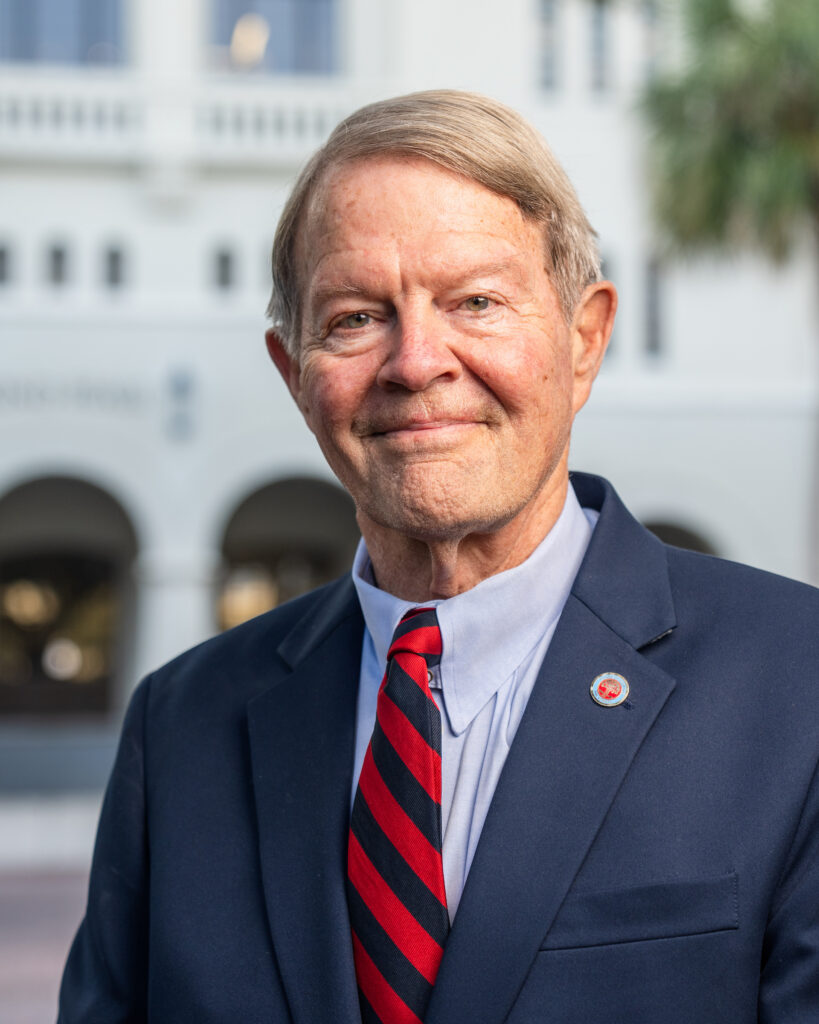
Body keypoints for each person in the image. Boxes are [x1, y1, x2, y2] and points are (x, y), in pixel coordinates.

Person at [59, 90, 819, 1024]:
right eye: (353, 318)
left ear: (583, 340)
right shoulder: (181, 728)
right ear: (294, 374)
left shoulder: (797, 682)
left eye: (476, 302)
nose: (416, 361)